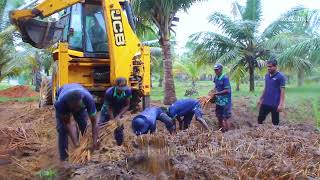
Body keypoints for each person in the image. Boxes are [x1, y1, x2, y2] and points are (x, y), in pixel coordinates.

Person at [54, 83, 99, 161]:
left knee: (83, 124)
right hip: (64, 101)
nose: (75, 109)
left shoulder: (88, 99)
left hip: (79, 102)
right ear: (69, 105)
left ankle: (87, 150)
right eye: (74, 107)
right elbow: (68, 123)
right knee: (63, 129)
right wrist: (76, 145)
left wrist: (95, 141)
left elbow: (94, 122)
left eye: (77, 106)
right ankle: (64, 159)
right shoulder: (60, 103)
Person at [257, 59, 286, 125]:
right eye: (267, 66)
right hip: (266, 102)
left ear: (275, 67)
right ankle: (260, 132)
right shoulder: (266, 76)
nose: (268, 68)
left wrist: (281, 104)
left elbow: (282, 91)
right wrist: (260, 99)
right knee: (260, 119)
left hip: (275, 104)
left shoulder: (280, 77)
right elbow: (266, 88)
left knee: (275, 122)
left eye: (270, 67)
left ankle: (275, 134)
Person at [212, 63, 232, 132]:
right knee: (219, 116)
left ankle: (228, 133)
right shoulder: (216, 77)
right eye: (215, 70)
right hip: (219, 100)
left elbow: (227, 90)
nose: (216, 71)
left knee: (225, 117)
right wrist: (212, 93)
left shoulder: (225, 78)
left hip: (225, 100)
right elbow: (216, 87)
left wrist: (217, 93)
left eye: (217, 70)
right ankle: (221, 131)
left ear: (221, 70)